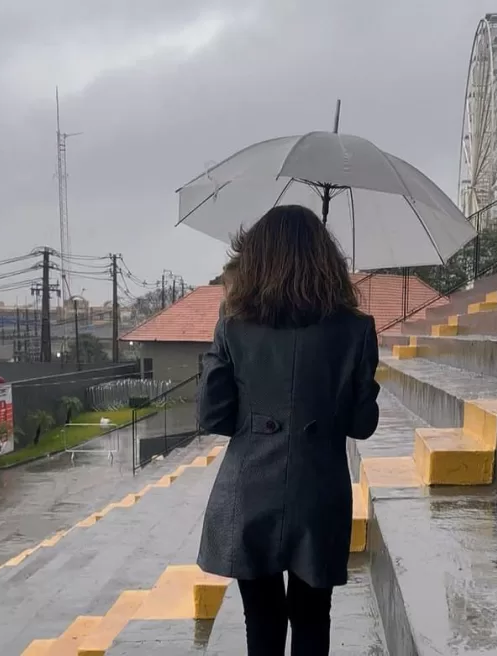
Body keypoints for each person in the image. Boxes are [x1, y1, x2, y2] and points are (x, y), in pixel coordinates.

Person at [196, 204, 380, 655]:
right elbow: (362, 425)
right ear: (326, 259)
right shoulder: (356, 329)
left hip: (249, 493)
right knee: (314, 619)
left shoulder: (233, 324)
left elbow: (213, 415)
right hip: (319, 495)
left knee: (261, 620)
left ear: (256, 259)